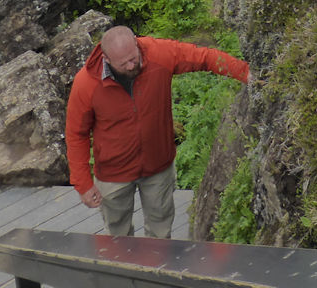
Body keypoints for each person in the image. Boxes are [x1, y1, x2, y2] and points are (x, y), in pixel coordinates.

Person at [65, 26, 250, 239]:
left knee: (161, 232)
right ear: (106, 58)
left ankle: (156, 269)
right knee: (117, 237)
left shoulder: (159, 54)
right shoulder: (86, 84)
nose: (131, 65)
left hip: (158, 166)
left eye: (133, 58)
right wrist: (83, 184)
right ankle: (123, 270)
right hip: (113, 173)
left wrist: (245, 73)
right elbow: (76, 134)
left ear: (136, 42)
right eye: (122, 63)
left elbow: (205, 57)